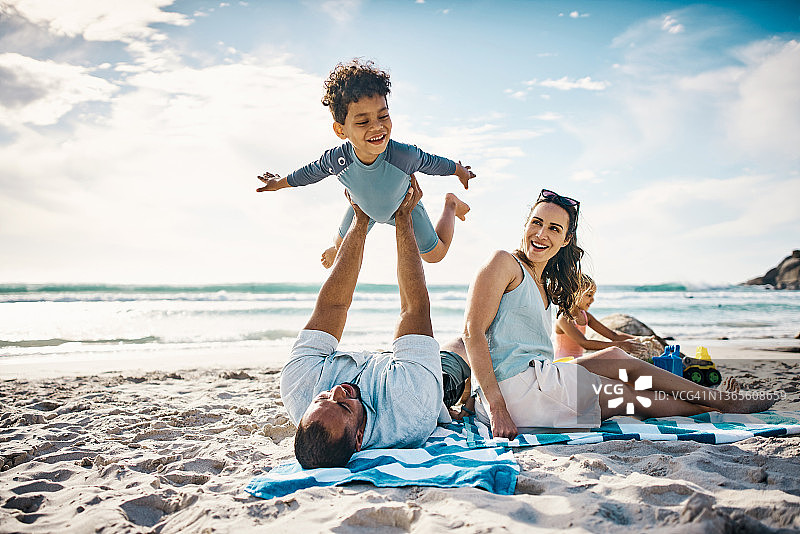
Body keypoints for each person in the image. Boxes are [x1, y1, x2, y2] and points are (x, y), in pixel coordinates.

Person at [459, 188, 776, 439]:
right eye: (536, 223)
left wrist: (475, 399)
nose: (541, 234)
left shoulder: (542, 283)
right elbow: (473, 333)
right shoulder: (503, 262)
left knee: (616, 359)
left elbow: (502, 344)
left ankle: (716, 401)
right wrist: (495, 407)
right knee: (629, 395)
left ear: (566, 239)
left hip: (538, 380)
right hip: (519, 396)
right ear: (526, 225)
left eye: (554, 228)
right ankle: (720, 403)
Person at [280, 176, 471, 469]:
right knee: (464, 344)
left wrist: (360, 219)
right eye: (344, 405)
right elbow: (413, 309)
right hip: (422, 388)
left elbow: (333, 305)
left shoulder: (298, 388)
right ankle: (450, 206)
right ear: (359, 439)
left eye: (324, 397)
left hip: (383, 370)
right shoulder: (411, 408)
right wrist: (404, 218)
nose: (338, 391)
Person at [256, 58, 475, 268]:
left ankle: (451, 205)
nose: (377, 127)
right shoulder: (337, 160)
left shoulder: (403, 156)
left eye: (384, 116)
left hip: (405, 205)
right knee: (341, 246)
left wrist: (459, 171)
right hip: (363, 209)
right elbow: (310, 172)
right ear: (341, 130)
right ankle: (336, 248)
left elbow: (431, 162)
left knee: (434, 256)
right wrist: (279, 183)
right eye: (363, 121)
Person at [553, 274, 644, 360]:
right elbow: (585, 343)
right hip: (563, 363)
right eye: (589, 295)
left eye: (593, 295)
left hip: (578, 361)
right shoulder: (564, 319)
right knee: (614, 353)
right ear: (573, 294)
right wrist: (620, 345)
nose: (592, 300)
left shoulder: (585, 316)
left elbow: (613, 335)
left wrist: (639, 339)